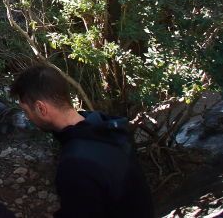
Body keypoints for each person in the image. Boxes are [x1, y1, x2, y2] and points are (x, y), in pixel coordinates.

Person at [9, 65, 154, 217]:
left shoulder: (76, 164)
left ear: (41, 108)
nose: (27, 117)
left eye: (26, 111)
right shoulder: (106, 125)